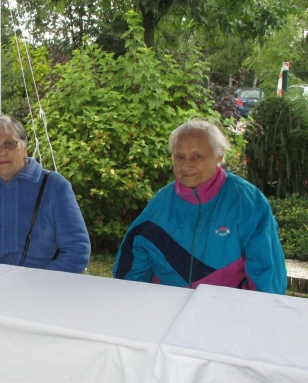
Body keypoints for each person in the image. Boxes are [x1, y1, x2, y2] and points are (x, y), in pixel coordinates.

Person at [113, 118, 287, 294]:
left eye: (197, 156)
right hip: (168, 310)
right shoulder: (160, 204)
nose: (187, 165)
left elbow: (268, 275)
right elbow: (133, 263)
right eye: (179, 157)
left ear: (219, 154)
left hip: (228, 311)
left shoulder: (249, 203)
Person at [0, 115, 91, 273]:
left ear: (25, 147)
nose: (2, 152)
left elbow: (77, 250)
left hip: (46, 287)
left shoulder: (55, 186)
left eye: (9, 144)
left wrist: (40, 284)